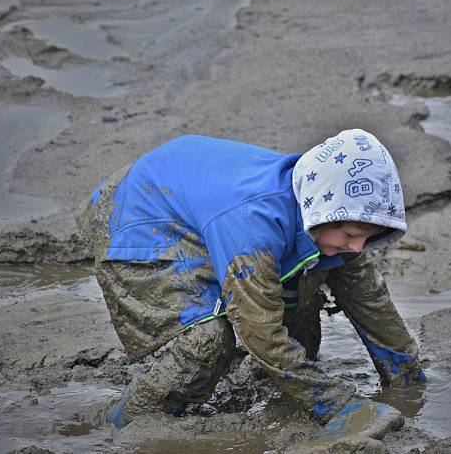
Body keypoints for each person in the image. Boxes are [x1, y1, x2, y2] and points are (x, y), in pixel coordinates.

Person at [75, 128, 424, 436]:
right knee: (209, 340)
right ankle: (124, 423)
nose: (358, 247)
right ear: (322, 209)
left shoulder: (325, 215)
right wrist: (342, 407)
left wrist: (407, 379)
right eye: (351, 234)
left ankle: (280, 384)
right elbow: (261, 331)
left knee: (303, 291)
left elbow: (370, 302)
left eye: (369, 237)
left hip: (200, 203)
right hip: (138, 217)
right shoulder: (252, 228)